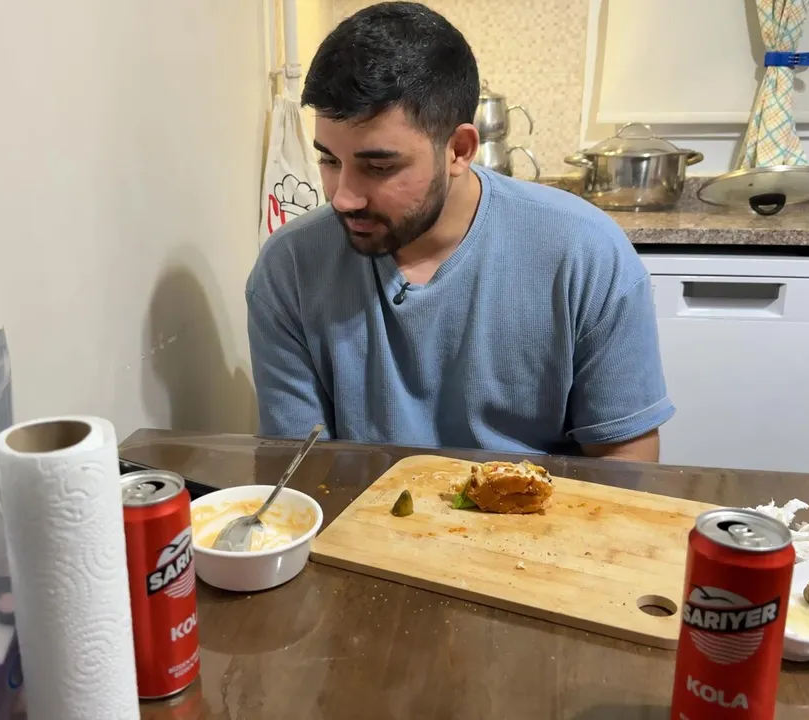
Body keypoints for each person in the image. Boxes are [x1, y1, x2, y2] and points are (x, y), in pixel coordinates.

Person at [245, 1, 673, 462]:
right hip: (358, 508)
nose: (343, 197)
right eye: (329, 160)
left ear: (460, 149)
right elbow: (300, 470)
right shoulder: (289, 268)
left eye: (379, 166)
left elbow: (623, 463)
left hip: (540, 505)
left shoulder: (585, 253)